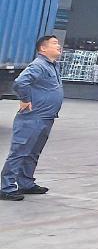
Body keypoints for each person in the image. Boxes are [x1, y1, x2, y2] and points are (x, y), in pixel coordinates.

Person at [1, 36, 64, 201]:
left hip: (46, 117)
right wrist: (25, 99)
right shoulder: (39, 65)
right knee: (20, 152)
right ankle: (6, 187)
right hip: (33, 117)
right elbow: (20, 82)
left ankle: (26, 182)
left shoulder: (53, 66)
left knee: (33, 152)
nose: (59, 45)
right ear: (43, 48)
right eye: (54, 43)